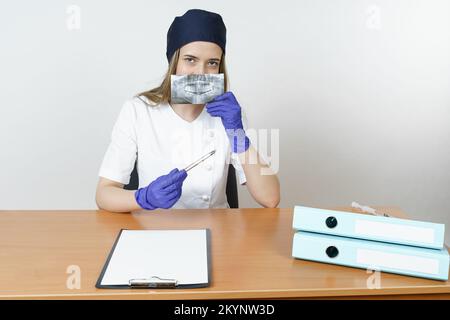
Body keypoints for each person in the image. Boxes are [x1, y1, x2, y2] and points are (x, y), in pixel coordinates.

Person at [95, 9, 280, 212]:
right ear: (174, 61)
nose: (200, 72)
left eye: (212, 63)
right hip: (153, 229)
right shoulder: (138, 110)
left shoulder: (229, 115)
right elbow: (104, 194)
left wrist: (238, 135)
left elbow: (270, 198)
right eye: (190, 60)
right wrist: (143, 197)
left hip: (216, 230)